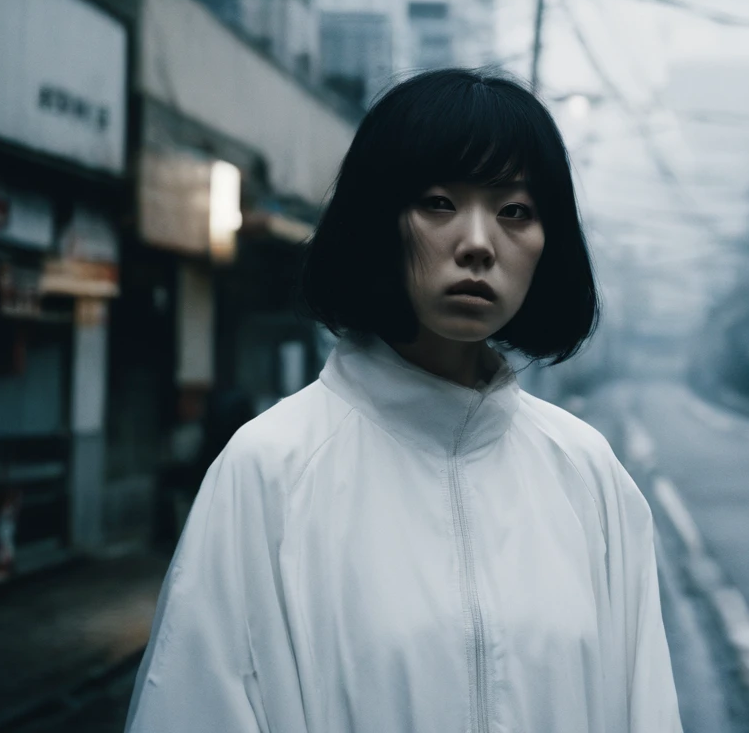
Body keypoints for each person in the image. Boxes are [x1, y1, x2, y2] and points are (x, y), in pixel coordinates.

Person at [123, 69, 682, 733]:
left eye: (515, 211)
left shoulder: (589, 477)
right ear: (379, 221)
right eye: (439, 203)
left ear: (546, 243)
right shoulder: (270, 470)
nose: (478, 242)